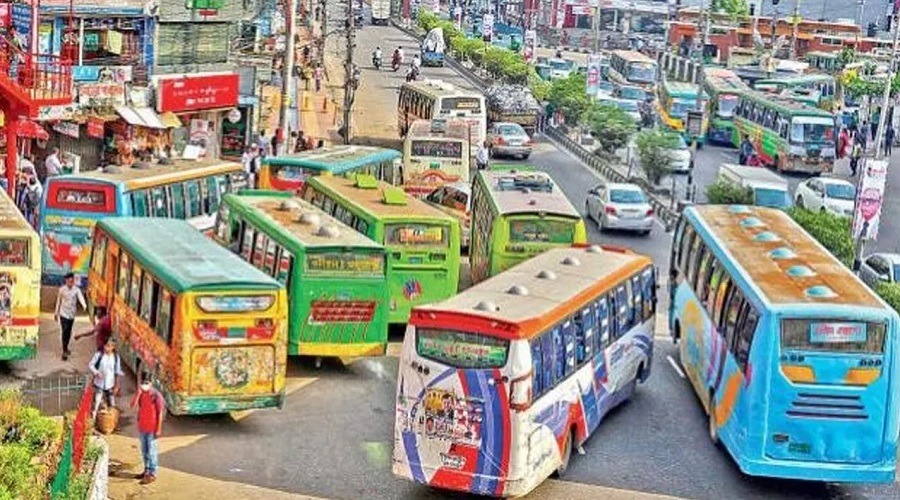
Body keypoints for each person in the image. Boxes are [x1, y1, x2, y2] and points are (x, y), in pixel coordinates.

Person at [131, 372, 165, 485]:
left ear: (151, 383)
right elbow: (132, 406)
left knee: (152, 452)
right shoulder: (141, 394)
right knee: (144, 451)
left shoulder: (156, 396)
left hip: (152, 428)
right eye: (143, 383)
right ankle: (146, 470)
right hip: (143, 427)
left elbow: (160, 413)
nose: (144, 385)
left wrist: (158, 429)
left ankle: (152, 473)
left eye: (146, 383)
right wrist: (138, 394)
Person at [54, 272, 86, 361]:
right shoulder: (62, 290)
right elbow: (58, 301)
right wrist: (56, 313)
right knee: (64, 331)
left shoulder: (76, 290)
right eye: (69, 281)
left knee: (68, 332)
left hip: (71, 314)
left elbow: (80, 297)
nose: (70, 282)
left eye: (72, 281)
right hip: (63, 314)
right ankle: (64, 351)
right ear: (66, 281)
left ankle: (66, 347)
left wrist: (84, 305)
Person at [89, 338, 123, 420]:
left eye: (109, 346)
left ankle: (111, 421)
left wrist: (117, 386)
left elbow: (118, 372)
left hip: (110, 384)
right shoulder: (99, 355)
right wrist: (97, 372)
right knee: (97, 402)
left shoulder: (116, 358)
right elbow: (91, 365)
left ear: (113, 347)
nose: (106, 348)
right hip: (99, 383)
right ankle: (93, 419)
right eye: (106, 345)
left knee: (112, 404)